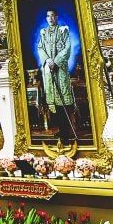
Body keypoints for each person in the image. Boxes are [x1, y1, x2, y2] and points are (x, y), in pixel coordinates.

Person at [36, 9, 76, 142]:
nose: (50, 18)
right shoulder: (44, 33)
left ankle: (67, 131)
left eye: (52, 15)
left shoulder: (63, 31)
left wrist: (56, 61)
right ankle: (60, 129)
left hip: (60, 69)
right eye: (48, 16)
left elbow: (67, 48)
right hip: (49, 69)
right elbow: (40, 48)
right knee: (53, 100)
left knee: (62, 98)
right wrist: (48, 60)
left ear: (56, 17)